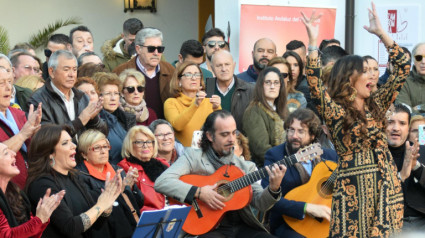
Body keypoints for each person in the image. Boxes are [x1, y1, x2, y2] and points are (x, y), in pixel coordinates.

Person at [302, 4, 410, 236]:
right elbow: (315, 85)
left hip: (387, 190)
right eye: (365, 71)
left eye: (373, 71)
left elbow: (402, 66)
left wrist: (382, 34)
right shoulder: (336, 111)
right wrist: (312, 43)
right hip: (355, 195)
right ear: (349, 77)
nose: (373, 74)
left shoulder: (378, 104)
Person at [155, 110, 287, 237]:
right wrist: (199, 192)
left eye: (234, 133)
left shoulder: (245, 166)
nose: (231, 139)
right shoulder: (193, 157)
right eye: (225, 134)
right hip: (207, 228)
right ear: (209, 136)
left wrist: (273, 189)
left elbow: (260, 203)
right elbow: (162, 182)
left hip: (241, 226)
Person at [26, 124, 123, 238]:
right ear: (50, 153)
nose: (74, 146)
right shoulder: (42, 184)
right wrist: (101, 205)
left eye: (71, 141)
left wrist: (107, 203)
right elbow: (70, 228)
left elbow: (95, 223)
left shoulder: (75, 176)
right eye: (65, 143)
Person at [261, 108, 338, 237]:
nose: (294, 136)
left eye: (301, 131)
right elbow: (266, 198)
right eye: (291, 130)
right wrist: (306, 207)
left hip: (325, 222)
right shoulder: (275, 156)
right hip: (288, 222)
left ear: (313, 135)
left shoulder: (330, 156)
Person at [76, 129, 144, 238]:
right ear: (84, 154)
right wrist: (120, 191)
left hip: (131, 227)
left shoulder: (117, 169)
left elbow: (139, 203)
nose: (103, 151)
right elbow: (91, 212)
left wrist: (129, 187)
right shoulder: (79, 177)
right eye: (96, 148)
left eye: (105, 147)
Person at [27, 50, 108, 139]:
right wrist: (80, 121)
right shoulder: (38, 100)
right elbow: (45, 137)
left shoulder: (82, 97)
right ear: (51, 72)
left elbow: (103, 134)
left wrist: (94, 119)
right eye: (66, 69)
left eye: (74, 69)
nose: (72, 75)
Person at [0, 142, 65, 238]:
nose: (14, 153)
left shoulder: (16, 192)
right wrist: (39, 219)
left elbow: (31, 234)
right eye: (5, 153)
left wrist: (44, 215)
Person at [113, 28, 175, 119]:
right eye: (151, 49)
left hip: (163, 130)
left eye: (160, 49)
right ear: (138, 49)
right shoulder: (120, 72)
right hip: (133, 129)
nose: (156, 53)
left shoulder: (170, 70)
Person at [0, 63, 42, 189]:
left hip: (29, 186)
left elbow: (35, 152)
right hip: (6, 191)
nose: (8, 88)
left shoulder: (19, 114)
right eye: (1, 84)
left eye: (9, 82)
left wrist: (35, 133)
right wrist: (23, 134)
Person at [385, 104, 425, 232]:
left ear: (408, 130)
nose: (396, 128)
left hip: (419, 219)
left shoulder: (421, 150)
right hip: (385, 221)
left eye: (402, 123)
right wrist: (401, 175)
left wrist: (416, 167)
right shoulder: (373, 154)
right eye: (390, 122)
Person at [164, 61, 221, 147]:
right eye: (188, 75)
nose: (194, 78)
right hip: (183, 155)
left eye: (197, 74)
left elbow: (220, 127)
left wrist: (217, 108)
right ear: (179, 80)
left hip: (208, 154)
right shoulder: (171, 102)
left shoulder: (209, 101)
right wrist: (195, 105)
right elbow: (177, 126)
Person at [243, 67, 287, 167]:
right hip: (265, 169)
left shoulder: (283, 109)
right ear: (261, 86)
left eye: (276, 82)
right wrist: (286, 162)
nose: (272, 86)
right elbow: (261, 150)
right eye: (268, 82)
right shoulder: (253, 111)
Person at [118, 126, 169, 212]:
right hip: (148, 217)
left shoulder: (162, 163)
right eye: (139, 142)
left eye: (149, 142)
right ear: (130, 145)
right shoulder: (125, 168)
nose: (145, 146)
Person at [93, 72, 136, 164]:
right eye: (108, 94)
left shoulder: (126, 119)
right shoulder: (94, 121)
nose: (113, 98)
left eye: (116, 93)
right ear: (98, 96)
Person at [396, 42, 425, 108]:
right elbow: (404, 113)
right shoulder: (403, 82)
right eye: (419, 57)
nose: (423, 61)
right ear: (414, 61)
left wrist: (419, 107)